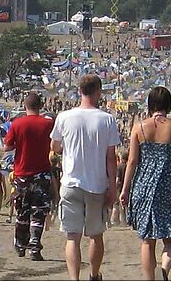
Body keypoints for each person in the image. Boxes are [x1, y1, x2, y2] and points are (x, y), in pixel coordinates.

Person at [50, 75, 121, 280]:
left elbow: (54, 146)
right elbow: (110, 158)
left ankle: (74, 278)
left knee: (72, 237)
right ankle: (94, 273)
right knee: (96, 235)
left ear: (79, 91)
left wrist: (65, 148)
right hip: (96, 184)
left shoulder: (64, 117)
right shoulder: (107, 119)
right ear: (98, 92)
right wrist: (113, 187)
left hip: (71, 182)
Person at [119, 86, 171, 280]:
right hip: (166, 188)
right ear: (169, 105)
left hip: (143, 187)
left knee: (147, 241)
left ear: (150, 105)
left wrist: (125, 189)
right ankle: (163, 271)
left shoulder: (139, 127)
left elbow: (131, 162)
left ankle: (151, 279)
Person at [4, 92, 56, 261]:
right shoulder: (48, 124)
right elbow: (56, 144)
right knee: (39, 212)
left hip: (22, 174)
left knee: (22, 211)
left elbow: (7, 147)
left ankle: (20, 245)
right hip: (42, 174)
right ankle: (35, 246)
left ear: (25, 106)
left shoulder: (17, 123)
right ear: (40, 106)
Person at [111, 152, 128, 227]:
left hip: (119, 187)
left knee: (116, 205)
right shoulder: (128, 167)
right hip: (127, 187)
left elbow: (117, 179)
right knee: (125, 206)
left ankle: (114, 221)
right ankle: (125, 221)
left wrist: (113, 186)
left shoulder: (119, 167)